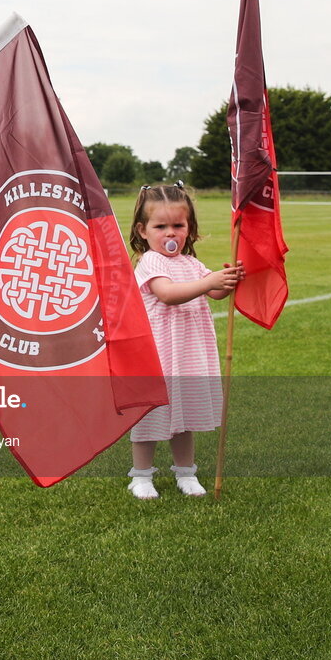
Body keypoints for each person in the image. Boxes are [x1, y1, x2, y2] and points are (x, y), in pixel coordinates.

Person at [126, 181, 243, 499]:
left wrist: (227, 280)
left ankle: (186, 473)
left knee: (185, 416)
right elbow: (168, 294)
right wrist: (208, 283)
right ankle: (141, 476)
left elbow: (216, 293)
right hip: (159, 354)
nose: (170, 233)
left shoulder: (191, 264)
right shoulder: (151, 262)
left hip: (188, 353)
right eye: (160, 226)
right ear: (143, 229)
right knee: (150, 415)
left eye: (178, 225)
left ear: (189, 229)